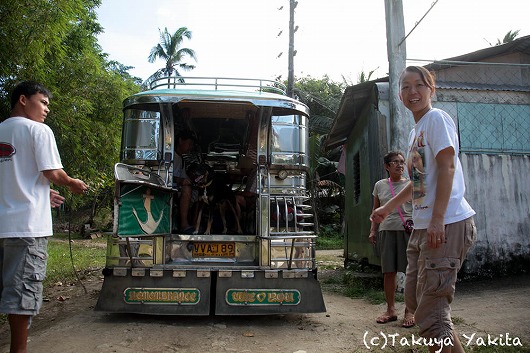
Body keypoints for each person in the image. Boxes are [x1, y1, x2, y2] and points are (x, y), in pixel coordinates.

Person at [371, 66, 476, 353]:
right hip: (422, 225)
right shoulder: (416, 131)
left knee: (432, 315)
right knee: (418, 305)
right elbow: (418, 181)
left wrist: (437, 220)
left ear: (432, 89)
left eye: (419, 85)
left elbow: (447, 167)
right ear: (400, 95)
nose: (412, 91)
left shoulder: (436, 119)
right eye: (406, 87)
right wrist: (387, 208)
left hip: (446, 222)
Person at [0, 81, 88, 353]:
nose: (47, 109)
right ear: (23, 100)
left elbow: (14, 177)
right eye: (44, 102)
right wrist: (73, 183)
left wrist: (43, 194)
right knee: (21, 295)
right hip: (26, 228)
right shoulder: (38, 130)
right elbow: (54, 174)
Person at [369, 151, 414, 328]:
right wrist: (373, 230)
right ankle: (391, 310)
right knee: (389, 272)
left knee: (411, 271)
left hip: (408, 230)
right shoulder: (380, 185)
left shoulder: (412, 184)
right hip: (386, 230)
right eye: (395, 162)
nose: (400, 165)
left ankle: (409, 310)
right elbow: (375, 210)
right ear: (386, 166)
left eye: (402, 162)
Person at [172, 130, 196, 233]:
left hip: (178, 190)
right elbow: (162, 176)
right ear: (181, 141)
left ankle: (195, 224)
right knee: (186, 190)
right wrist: (179, 180)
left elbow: (184, 178)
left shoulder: (182, 160)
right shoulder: (169, 155)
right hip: (169, 189)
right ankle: (184, 224)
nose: (190, 148)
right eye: (189, 144)